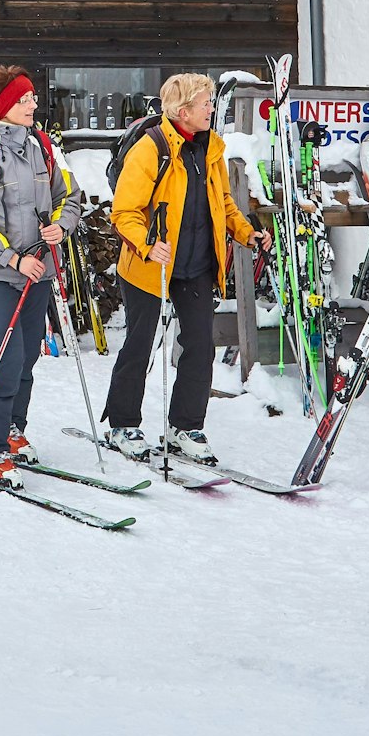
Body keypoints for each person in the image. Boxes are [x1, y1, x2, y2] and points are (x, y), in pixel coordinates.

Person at [103, 72, 270, 464]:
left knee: (199, 345)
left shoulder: (211, 149)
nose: (211, 109)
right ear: (182, 111)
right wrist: (147, 244)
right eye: (204, 103)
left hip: (196, 264)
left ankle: (186, 427)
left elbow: (223, 204)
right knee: (140, 345)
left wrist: (246, 234)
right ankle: (123, 424)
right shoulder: (151, 148)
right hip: (149, 263)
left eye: (211, 101)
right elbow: (123, 212)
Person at [0, 65, 83, 487]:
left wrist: (62, 226)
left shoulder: (44, 145)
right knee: (5, 356)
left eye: (32, 98)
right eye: (24, 99)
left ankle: (10, 426)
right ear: (4, 106)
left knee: (26, 356)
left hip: (39, 269)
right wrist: (11, 257)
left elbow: (70, 196)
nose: (33, 104)